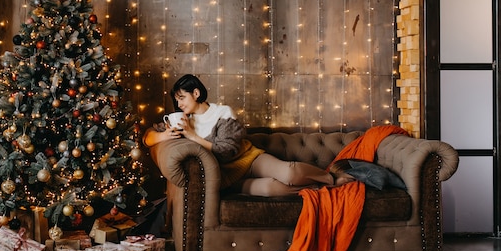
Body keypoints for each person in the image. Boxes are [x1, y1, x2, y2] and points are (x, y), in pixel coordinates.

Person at [143, 74, 353, 197]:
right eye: (176, 100)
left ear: (196, 93)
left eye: (182, 98)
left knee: (289, 174)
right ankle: (323, 188)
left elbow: (227, 151)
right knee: (271, 188)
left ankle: (329, 177)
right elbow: (147, 137)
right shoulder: (180, 121)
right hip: (227, 175)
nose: (179, 104)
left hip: (249, 160)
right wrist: (165, 136)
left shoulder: (223, 113)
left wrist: (192, 136)